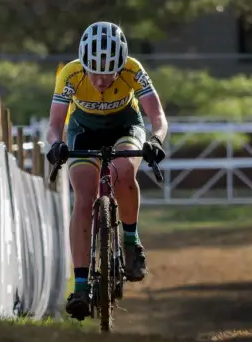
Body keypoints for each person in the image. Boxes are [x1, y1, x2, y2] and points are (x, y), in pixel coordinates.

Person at [46, 21, 168, 320]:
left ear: (121, 66)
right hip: (83, 129)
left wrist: (155, 140)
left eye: (109, 74)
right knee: (84, 198)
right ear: (83, 65)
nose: (101, 82)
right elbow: (54, 125)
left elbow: (158, 117)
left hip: (125, 126)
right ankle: (80, 285)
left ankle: (130, 242)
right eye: (94, 73)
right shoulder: (70, 73)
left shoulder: (133, 69)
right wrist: (55, 145)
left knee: (124, 170)